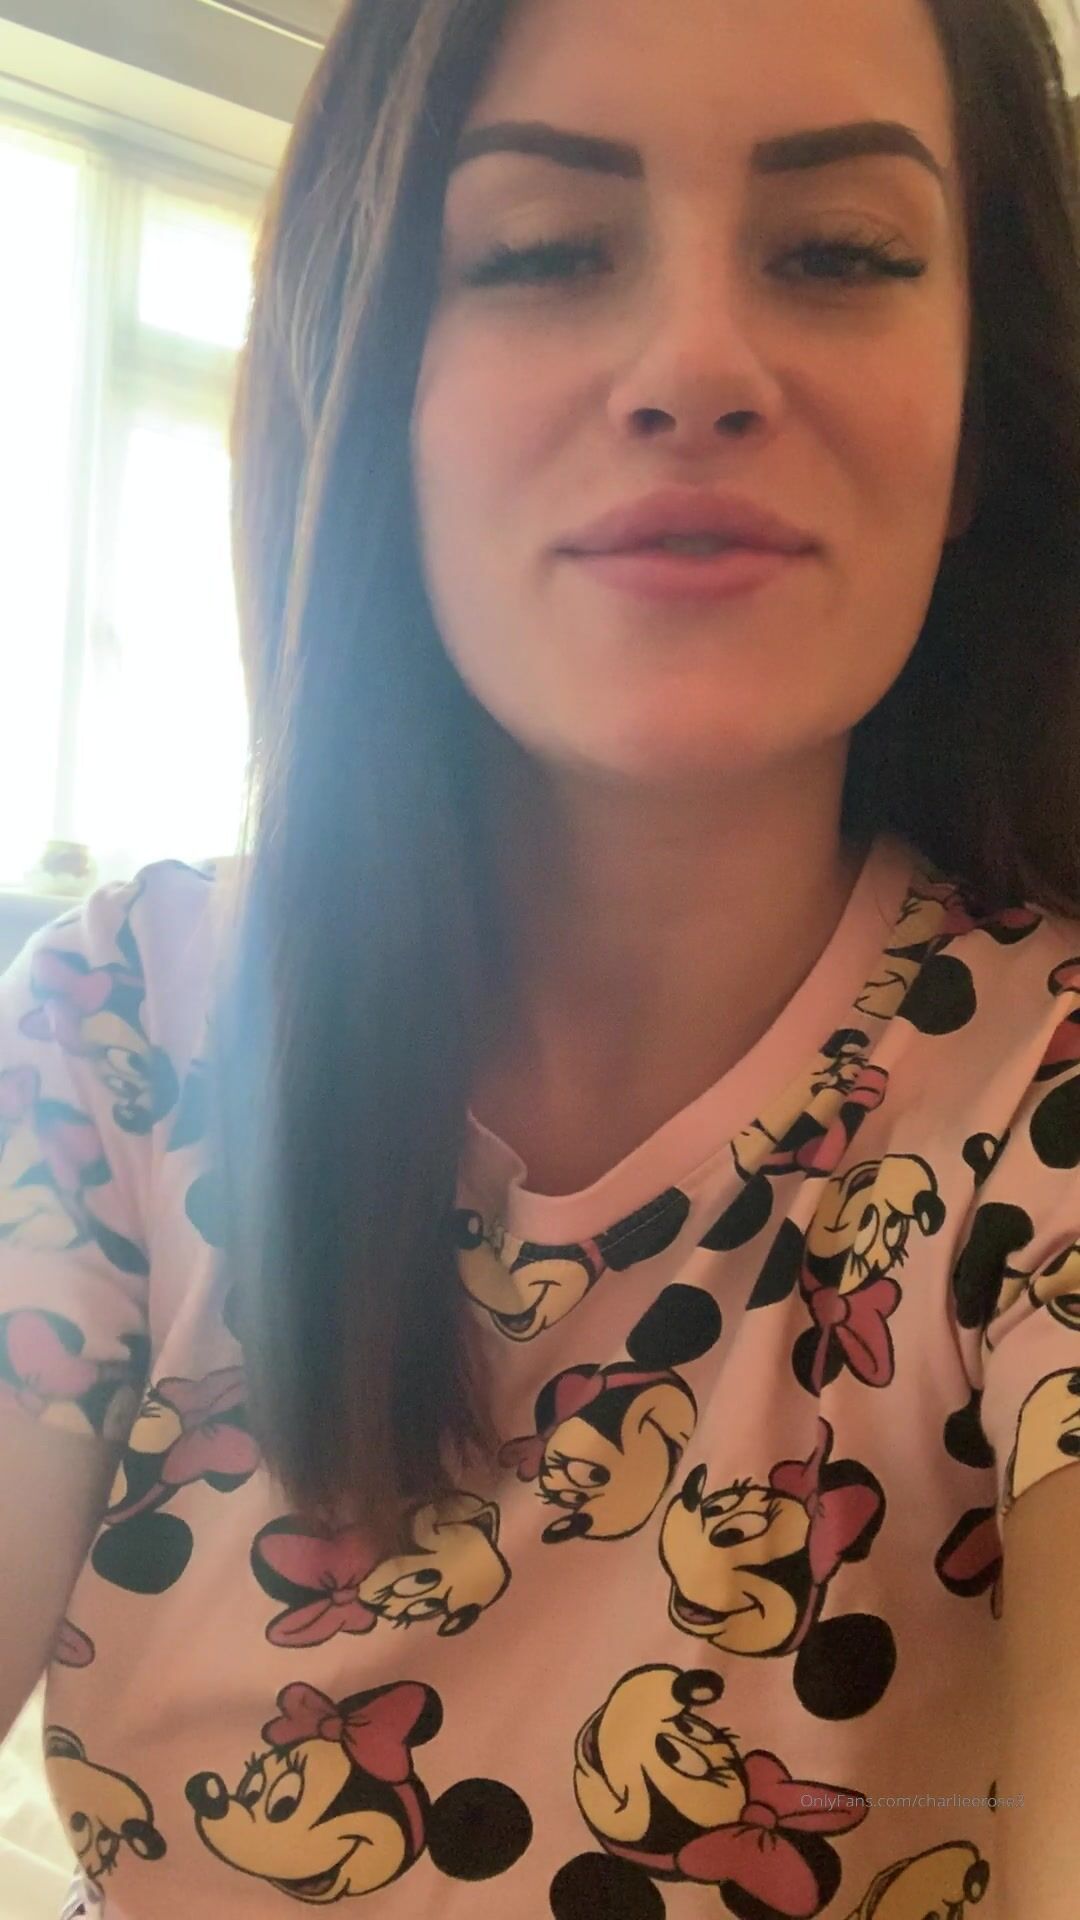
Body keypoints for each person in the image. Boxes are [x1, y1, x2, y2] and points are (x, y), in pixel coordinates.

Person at [3, 0, 1080, 1913]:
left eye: (842, 254)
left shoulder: (1045, 1098)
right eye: (540, 251)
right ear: (373, 390)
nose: (696, 367)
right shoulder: (118, 1029)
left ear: (979, 422)